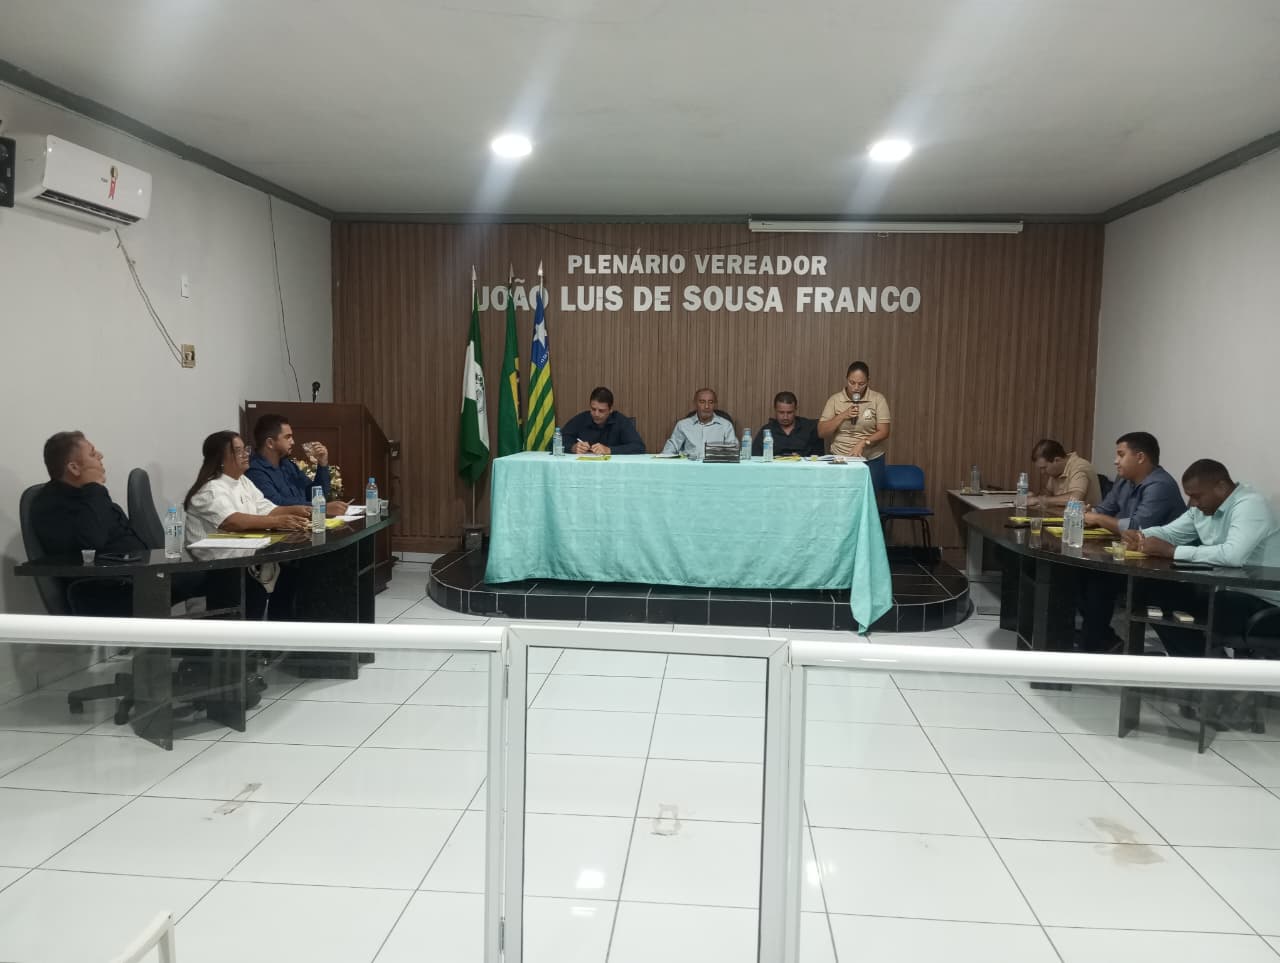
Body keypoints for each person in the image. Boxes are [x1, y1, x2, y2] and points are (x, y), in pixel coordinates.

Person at [29, 431, 202, 615]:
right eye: (92, 454)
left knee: (213, 576)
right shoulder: (51, 504)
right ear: (74, 468)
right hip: (108, 589)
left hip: (139, 575)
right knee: (210, 579)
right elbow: (91, 541)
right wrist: (95, 487)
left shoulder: (87, 495)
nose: (100, 456)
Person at [1122, 459, 1280, 658]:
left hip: (1263, 600)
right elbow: (1170, 533)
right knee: (1151, 591)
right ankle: (1195, 661)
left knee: (1215, 604)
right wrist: (1141, 536)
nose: (1193, 503)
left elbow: (1232, 555)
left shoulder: (1249, 505)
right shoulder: (1202, 509)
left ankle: (1205, 664)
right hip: (1226, 591)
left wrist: (1172, 551)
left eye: (1197, 496)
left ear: (1221, 487)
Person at [1074, 432, 1185, 652]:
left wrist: (1097, 518)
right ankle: (1100, 639)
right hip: (1129, 556)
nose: (1115, 461)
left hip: (1159, 566)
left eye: (1121, 455)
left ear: (1140, 457)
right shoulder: (1124, 481)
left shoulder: (1160, 485)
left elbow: (1136, 527)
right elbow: (1105, 509)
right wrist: (1089, 513)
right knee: (1076, 573)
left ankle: (1097, 641)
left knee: (1098, 580)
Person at [184, 431, 311, 619]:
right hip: (218, 567)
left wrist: (300, 510)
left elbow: (267, 509)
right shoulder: (211, 488)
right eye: (238, 451)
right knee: (262, 588)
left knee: (291, 574)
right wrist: (278, 521)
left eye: (246, 449)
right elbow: (232, 521)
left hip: (243, 560)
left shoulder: (243, 481)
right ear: (220, 458)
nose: (246, 454)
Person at [245, 413, 347, 516]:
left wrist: (322, 464)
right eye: (288, 437)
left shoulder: (288, 465)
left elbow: (316, 495)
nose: (293, 442)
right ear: (270, 443)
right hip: (283, 525)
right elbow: (275, 504)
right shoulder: (254, 471)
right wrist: (320, 508)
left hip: (304, 522)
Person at [818, 361, 891, 488]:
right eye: (852, 382)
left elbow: (884, 431)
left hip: (870, 459)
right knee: (842, 496)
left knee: (869, 496)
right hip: (841, 458)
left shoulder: (878, 399)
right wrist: (842, 415)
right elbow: (822, 432)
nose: (856, 388)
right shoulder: (835, 400)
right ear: (846, 379)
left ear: (868, 381)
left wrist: (863, 442)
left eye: (861, 384)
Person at [561, 386, 646, 455]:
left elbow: (639, 447)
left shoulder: (620, 421)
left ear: (610, 409)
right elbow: (558, 441)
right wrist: (572, 448)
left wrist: (609, 450)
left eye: (601, 411)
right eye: (593, 409)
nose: (596, 414)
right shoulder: (581, 419)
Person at [1027, 439, 1101, 510]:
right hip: (1063, 514)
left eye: (1044, 468)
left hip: (1084, 517)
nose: (1042, 472)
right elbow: (1047, 492)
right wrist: (1035, 497)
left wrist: (1041, 500)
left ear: (1057, 460)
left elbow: (1075, 499)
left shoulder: (1080, 467)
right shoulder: (1056, 470)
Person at [662, 388, 737, 458]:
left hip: (715, 466)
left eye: (711, 402)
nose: (707, 406)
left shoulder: (726, 426)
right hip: (689, 466)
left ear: (715, 404)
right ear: (695, 404)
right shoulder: (683, 425)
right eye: (702, 402)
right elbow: (668, 451)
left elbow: (733, 453)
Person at [752, 391, 823, 458]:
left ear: (795, 410)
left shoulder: (810, 428)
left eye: (789, 412)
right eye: (781, 412)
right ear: (775, 410)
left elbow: (819, 458)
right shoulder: (767, 431)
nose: (785, 417)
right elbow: (755, 457)